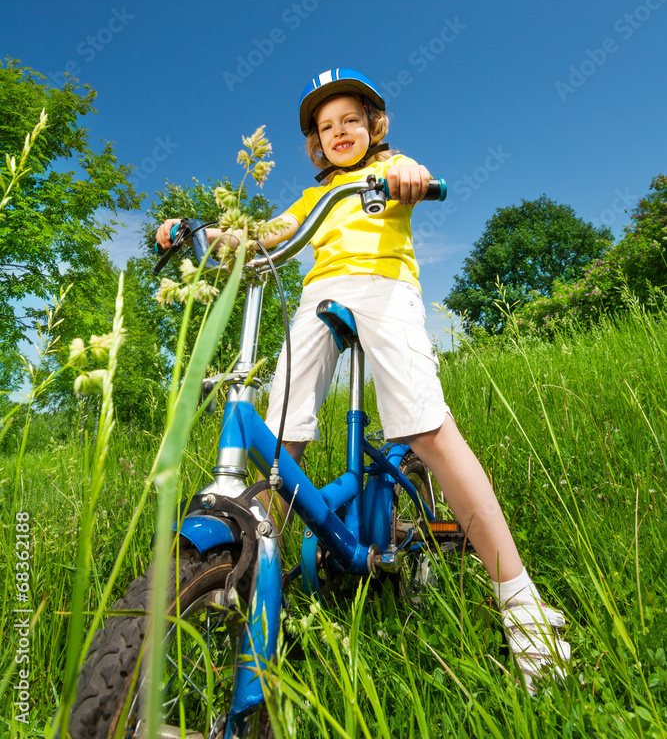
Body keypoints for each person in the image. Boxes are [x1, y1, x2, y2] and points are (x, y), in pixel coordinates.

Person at [156, 68, 570, 691]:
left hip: (386, 289)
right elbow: (268, 237)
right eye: (326, 127)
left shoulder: (390, 169)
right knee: (280, 434)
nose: (338, 131)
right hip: (320, 294)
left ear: (373, 126)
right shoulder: (311, 198)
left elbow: (417, 178)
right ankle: (253, 574)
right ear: (316, 144)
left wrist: (409, 180)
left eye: (350, 119)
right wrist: (204, 233)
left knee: (426, 429)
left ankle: (521, 602)